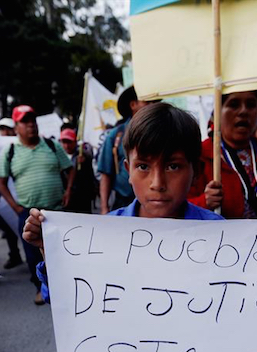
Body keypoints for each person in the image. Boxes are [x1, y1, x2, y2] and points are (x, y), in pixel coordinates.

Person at [23, 103, 223, 302]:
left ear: (196, 171)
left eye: (172, 166)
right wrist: (52, 254)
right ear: (128, 171)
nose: (157, 183)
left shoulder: (220, 235)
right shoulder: (103, 237)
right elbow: (64, 298)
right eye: (143, 166)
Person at [0, 105, 74, 305]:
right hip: (29, 212)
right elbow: (1, 182)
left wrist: (68, 190)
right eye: (25, 121)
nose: (30, 124)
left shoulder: (51, 145)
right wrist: (15, 207)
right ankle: (40, 288)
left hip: (56, 210)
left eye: (32, 120)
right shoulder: (10, 151)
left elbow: (70, 168)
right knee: (33, 253)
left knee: (64, 248)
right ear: (16, 127)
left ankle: (69, 285)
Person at [188, 91, 257, 219]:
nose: (243, 111)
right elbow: (179, 210)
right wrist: (204, 202)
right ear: (218, 111)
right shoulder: (200, 156)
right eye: (234, 105)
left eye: (251, 105)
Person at [97, 86, 149, 214]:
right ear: (133, 105)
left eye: (155, 102)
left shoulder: (163, 134)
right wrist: (104, 207)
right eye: (147, 102)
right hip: (123, 201)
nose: (152, 106)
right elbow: (106, 174)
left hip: (154, 201)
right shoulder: (116, 135)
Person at [59, 128, 97, 214]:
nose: (67, 146)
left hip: (82, 197)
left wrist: (84, 163)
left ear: (75, 142)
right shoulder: (59, 156)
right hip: (66, 197)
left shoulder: (83, 155)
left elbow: (89, 177)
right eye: (64, 142)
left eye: (69, 142)